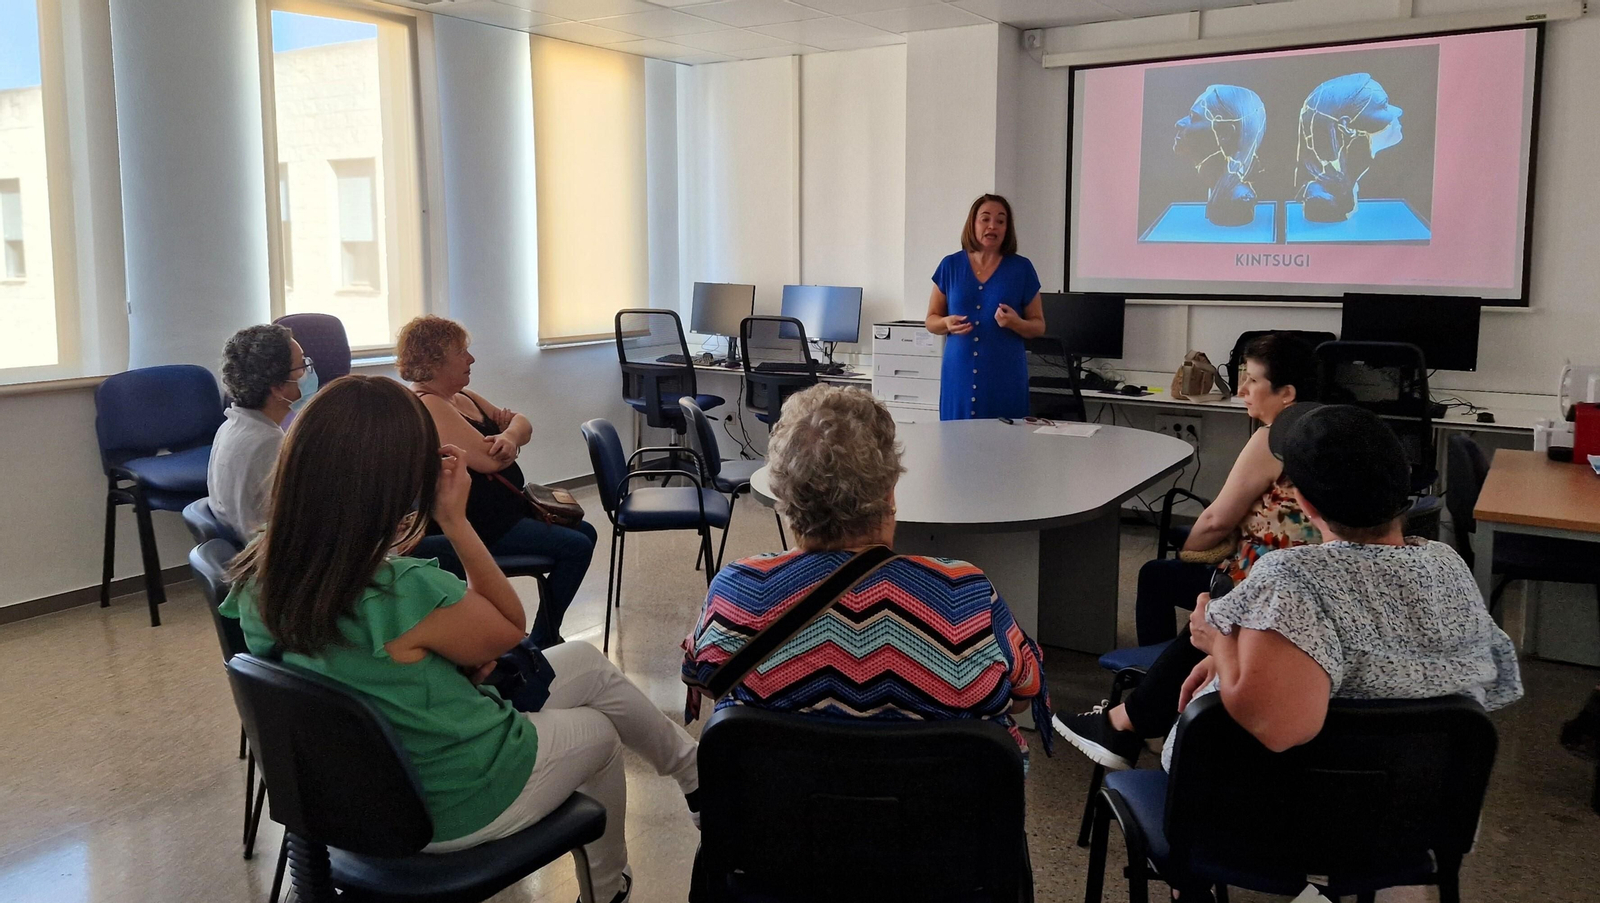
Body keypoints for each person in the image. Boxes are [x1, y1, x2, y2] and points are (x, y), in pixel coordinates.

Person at [220, 376, 697, 903]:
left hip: (359, 786)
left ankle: (691, 769)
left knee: (583, 660)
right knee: (601, 736)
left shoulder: (258, 569)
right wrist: (454, 519)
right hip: (449, 800)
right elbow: (508, 626)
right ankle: (608, 890)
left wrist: (433, 661)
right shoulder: (402, 589)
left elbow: (349, 662)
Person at [1057, 403, 1523, 773]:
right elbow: (1497, 683)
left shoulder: (1289, 579)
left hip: (1295, 811)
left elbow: (1277, 729)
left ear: (1302, 500)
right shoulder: (1449, 565)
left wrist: (1217, 647)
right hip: (1426, 813)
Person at [682, 384, 1052, 758]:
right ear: (889, 491)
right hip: (940, 812)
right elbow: (1023, 693)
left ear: (784, 493)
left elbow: (705, 680)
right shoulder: (963, 592)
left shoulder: (736, 589)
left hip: (775, 812)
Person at [398, 315, 597, 648]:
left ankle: (546, 631)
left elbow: (523, 423)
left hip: (505, 514)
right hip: (478, 527)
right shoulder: (429, 406)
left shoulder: (465, 398)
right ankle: (544, 639)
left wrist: (511, 437)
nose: (471, 359)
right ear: (434, 361)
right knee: (577, 546)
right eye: (462, 352)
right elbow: (490, 458)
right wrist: (509, 439)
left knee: (586, 531)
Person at [1135, 333, 1322, 646]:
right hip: (1311, 576)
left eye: (1251, 380)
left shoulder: (1272, 439)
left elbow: (1216, 522)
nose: (1241, 390)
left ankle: (1161, 677)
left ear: (1286, 393)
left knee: (1156, 575)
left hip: (1263, 583)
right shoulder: (1327, 427)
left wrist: (1188, 556)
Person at [925, 194, 1047, 421]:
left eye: (1001, 221)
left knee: (1005, 448)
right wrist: (946, 323)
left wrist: (1016, 323)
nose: (993, 226)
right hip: (958, 375)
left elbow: (1038, 326)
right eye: (985, 219)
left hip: (1004, 377)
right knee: (956, 447)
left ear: (1007, 228)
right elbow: (931, 320)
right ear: (973, 223)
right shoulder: (950, 265)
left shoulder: (1022, 269)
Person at [208, 323, 315, 541]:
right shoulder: (268, 442)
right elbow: (296, 523)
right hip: (273, 560)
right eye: (301, 366)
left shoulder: (232, 425)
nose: (308, 372)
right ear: (277, 387)